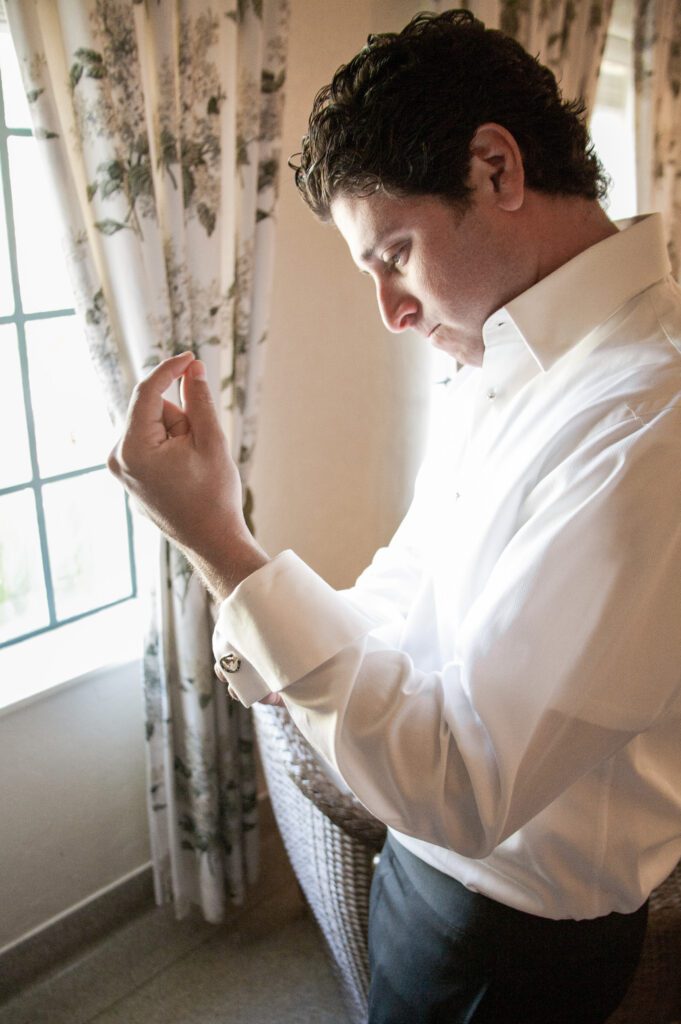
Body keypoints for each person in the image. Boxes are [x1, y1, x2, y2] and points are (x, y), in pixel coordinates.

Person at [108, 9, 681, 1023]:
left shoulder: (651, 422)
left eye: (398, 255)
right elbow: (404, 590)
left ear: (496, 169)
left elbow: (463, 785)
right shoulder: (495, 362)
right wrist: (255, 611)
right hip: (420, 875)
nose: (394, 312)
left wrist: (223, 546)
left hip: (516, 934)